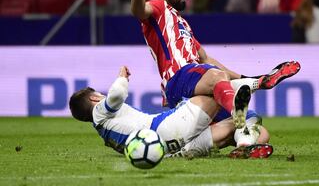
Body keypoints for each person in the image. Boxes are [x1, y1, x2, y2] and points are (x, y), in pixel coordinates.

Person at [130, 0, 300, 129]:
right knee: (216, 76)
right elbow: (139, 11)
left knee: (254, 122)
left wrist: (240, 76)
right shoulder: (159, 6)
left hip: (195, 79)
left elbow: (205, 58)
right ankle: (246, 97)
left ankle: (243, 142)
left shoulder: (182, 24)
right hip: (178, 77)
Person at [69, 65, 272, 158]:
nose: (103, 95)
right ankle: (256, 82)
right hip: (161, 129)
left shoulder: (105, 133)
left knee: (257, 129)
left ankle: (245, 144)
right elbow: (116, 95)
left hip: (168, 150)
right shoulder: (99, 112)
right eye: (100, 94)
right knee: (212, 91)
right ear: (94, 98)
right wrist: (122, 77)